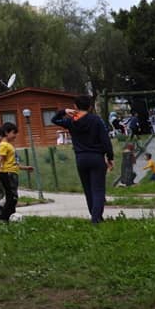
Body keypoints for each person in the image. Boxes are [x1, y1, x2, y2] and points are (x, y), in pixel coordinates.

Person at [52, 95, 115, 224]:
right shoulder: (96, 120)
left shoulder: (71, 121)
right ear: (90, 107)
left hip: (81, 158)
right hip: (96, 158)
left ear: (75, 107)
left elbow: (54, 119)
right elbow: (105, 141)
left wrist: (64, 111)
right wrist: (110, 157)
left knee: (88, 189)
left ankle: (96, 216)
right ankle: (96, 219)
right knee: (98, 190)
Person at [0, 123, 20, 222]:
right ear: (6, 133)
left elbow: (11, 161)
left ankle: (10, 216)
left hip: (12, 172)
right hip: (8, 173)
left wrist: (24, 168)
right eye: (14, 133)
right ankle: (3, 217)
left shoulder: (8, 145)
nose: (15, 135)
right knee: (12, 197)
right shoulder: (4, 145)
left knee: (12, 197)